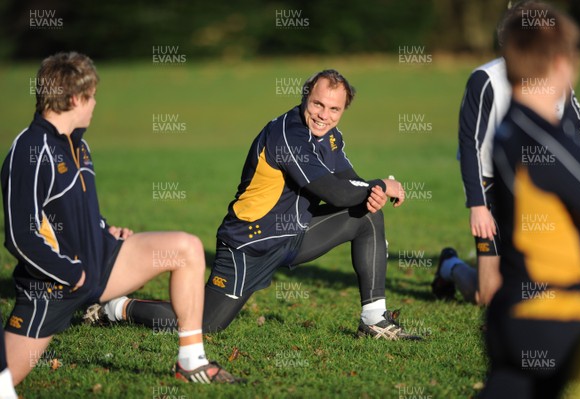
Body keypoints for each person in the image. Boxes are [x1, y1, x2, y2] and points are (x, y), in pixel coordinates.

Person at [92, 69, 419, 341]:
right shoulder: (288, 135)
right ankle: (115, 307)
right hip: (250, 242)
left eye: (334, 109)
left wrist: (371, 193)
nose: (324, 115)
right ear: (305, 95)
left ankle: (374, 318)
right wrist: (379, 186)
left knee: (366, 216)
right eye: (318, 104)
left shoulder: (330, 136)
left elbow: (349, 179)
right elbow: (333, 191)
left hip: (294, 234)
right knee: (206, 324)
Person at [1, 52, 239, 385]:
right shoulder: (30, 150)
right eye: (92, 96)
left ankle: (191, 362)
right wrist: (72, 274)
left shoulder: (77, 145)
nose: (95, 103)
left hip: (102, 260)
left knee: (185, 248)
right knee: (5, 380)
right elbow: (19, 236)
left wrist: (104, 228)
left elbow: (76, 210)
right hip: (57, 285)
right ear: (74, 98)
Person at [432, 0, 580, 305]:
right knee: (487, 294)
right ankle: (450, 265)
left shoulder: (556, 78)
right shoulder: (485, 79)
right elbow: (471, 144)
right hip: (493, 186)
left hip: (542, 185)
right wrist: (477, 205)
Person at [480, 4, 580, 397]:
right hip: (558, 314)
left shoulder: (512, 128)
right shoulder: (541, 141)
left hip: (516, 315)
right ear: (563, 62)